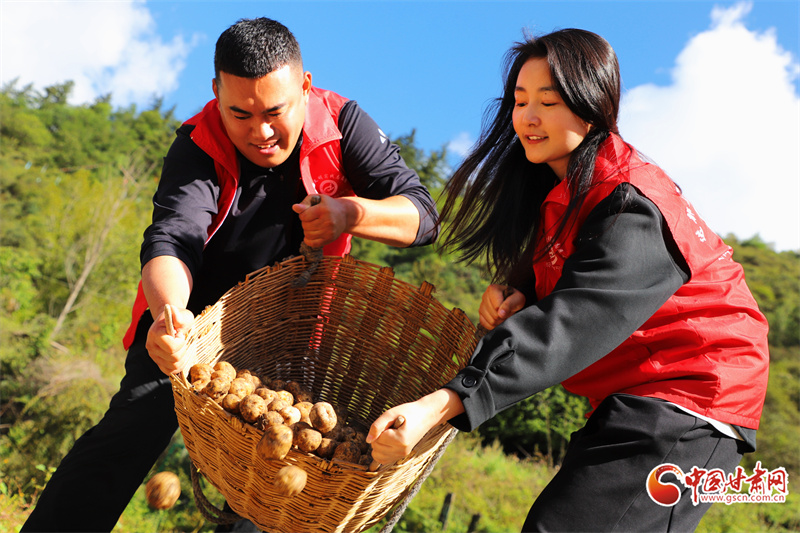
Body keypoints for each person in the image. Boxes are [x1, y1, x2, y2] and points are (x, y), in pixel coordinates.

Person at [22, 17, 438, 532]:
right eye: (240, 113)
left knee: (269, 490)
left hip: (291, 338)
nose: (261, 132)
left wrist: (349, 213)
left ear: (305, 87)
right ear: (217, 93)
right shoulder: (198, 142)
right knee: (128, 433)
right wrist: (169, 316)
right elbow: (172, 239)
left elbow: (423, 216)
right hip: (192, 326)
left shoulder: (343, 123)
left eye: (275, 112)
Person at [367, 28, 769, 532]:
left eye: (549, 101)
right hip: (639, 395)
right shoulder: (564, 191)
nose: (528, 117)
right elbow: (568, 284)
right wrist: (518, 290)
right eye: (520, 101)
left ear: (591, 105)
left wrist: (441, 404)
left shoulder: (630, 202)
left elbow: (572, 323)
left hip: (694, 390)